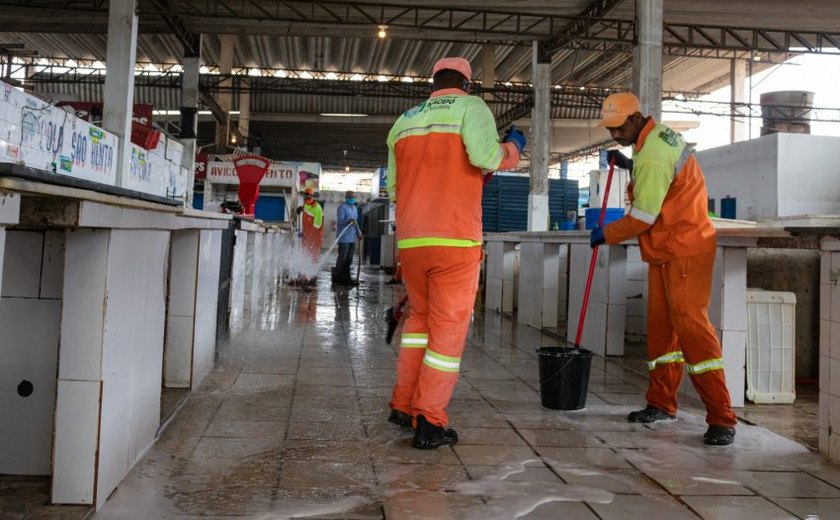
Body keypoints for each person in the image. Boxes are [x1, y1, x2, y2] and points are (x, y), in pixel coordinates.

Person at [385, 56, 526, 449]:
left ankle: (402, 404)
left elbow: (394, 188)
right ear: (466, 84)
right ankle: (428, 420)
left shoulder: (404, 120)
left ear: (434, 83)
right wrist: (512, 147)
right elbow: (485, 158)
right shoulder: (471, 107)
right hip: (456, 240)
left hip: (412, 240)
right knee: (447, 331)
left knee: (419, 322)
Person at [590, 92, 737, 446]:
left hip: (684, 248)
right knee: (662, 333)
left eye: (618, 128)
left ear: (636, 118)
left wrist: (606, 233)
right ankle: (661, 403)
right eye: (609, 129)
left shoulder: (652, 152)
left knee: (691, 330)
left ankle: (722, 418)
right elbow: (663, 182)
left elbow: (643, 215)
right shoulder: (652, 140)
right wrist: (628, 164)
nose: (614, 135)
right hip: (666, 249)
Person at [334, 190, 362, 286]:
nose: (351, 198)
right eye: (349, 197)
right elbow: (340, 221)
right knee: (342, 258)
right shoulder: (342, 207)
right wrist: (348, 220)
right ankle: (338, 278)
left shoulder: (355, 208)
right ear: (346, 197)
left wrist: (359, 232)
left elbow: (356, 222)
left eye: (353, 197)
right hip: (343, 237)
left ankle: (346, 278)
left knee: (349, 259)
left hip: (352, 238)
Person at [296, 187, 323, 284]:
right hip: (306, 237)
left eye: (309, 195)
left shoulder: (318, 209)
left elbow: (316, 226)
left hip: (315, 238)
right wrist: (301, 209)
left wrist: (306, 234)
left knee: (313, 257)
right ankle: (304, 277)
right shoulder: (306, 205)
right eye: (305, 195)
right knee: (305, 255)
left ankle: (312, 279)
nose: (307, 197)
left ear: (312, 196)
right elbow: (307, 211)